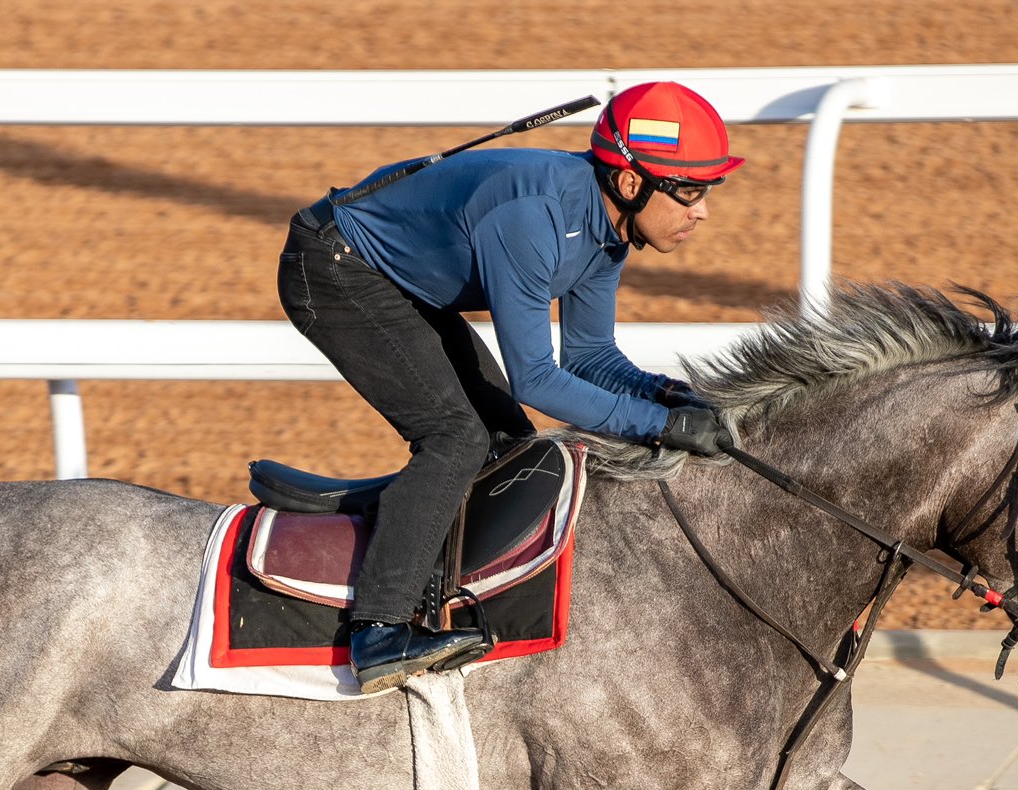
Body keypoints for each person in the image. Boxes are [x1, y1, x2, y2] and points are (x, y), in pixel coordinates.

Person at [277, 81, 743, 694]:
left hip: (390, 279)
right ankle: (379, 630)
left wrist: (664, 394)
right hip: (333, 268)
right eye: (688, 190)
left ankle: (431, 562)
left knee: (510, 444)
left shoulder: (610, 230)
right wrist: (658, 427)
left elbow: (591, 356)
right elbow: (536, 378)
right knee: (455, 439)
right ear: (632, 184)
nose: (702, 209)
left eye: (707, 190)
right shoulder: (535, 220)